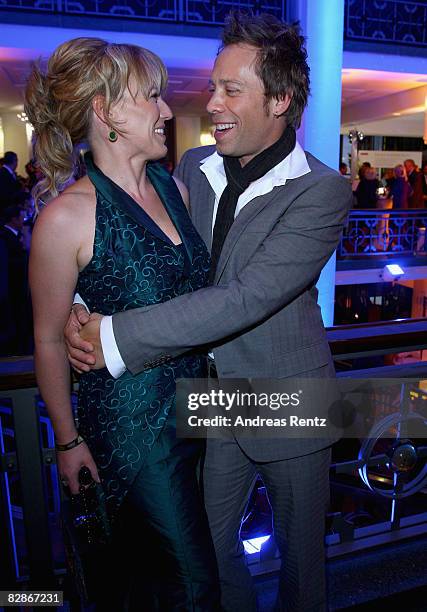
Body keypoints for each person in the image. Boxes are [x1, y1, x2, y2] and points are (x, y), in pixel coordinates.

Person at [66, 13, 353, 612]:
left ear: (279, 100)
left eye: (230, 89)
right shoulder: (194, 167)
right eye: (213, 85)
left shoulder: (323, 191)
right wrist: (83, 294)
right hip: (210, 398)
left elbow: (247, 297)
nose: (209, 101)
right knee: (213, 553)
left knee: (303, 569)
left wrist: (115, 336)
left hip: (291, 396)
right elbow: (146, 240)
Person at [25, 37, 219, 610]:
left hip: (198, 413)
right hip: (134, 434)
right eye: (153, 98)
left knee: (162, 585)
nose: (166, 111)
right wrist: (67, 441)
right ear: (107, 113)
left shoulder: (175, 188)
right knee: (192, 585)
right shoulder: (66, 219)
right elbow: (45, 337)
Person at [0, 205, 31, 355]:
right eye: (22, 216)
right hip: (13, 291)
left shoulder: (16, 235)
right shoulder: (4, 237)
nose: (24, 220)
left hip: (18, 291)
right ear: (14, 218)